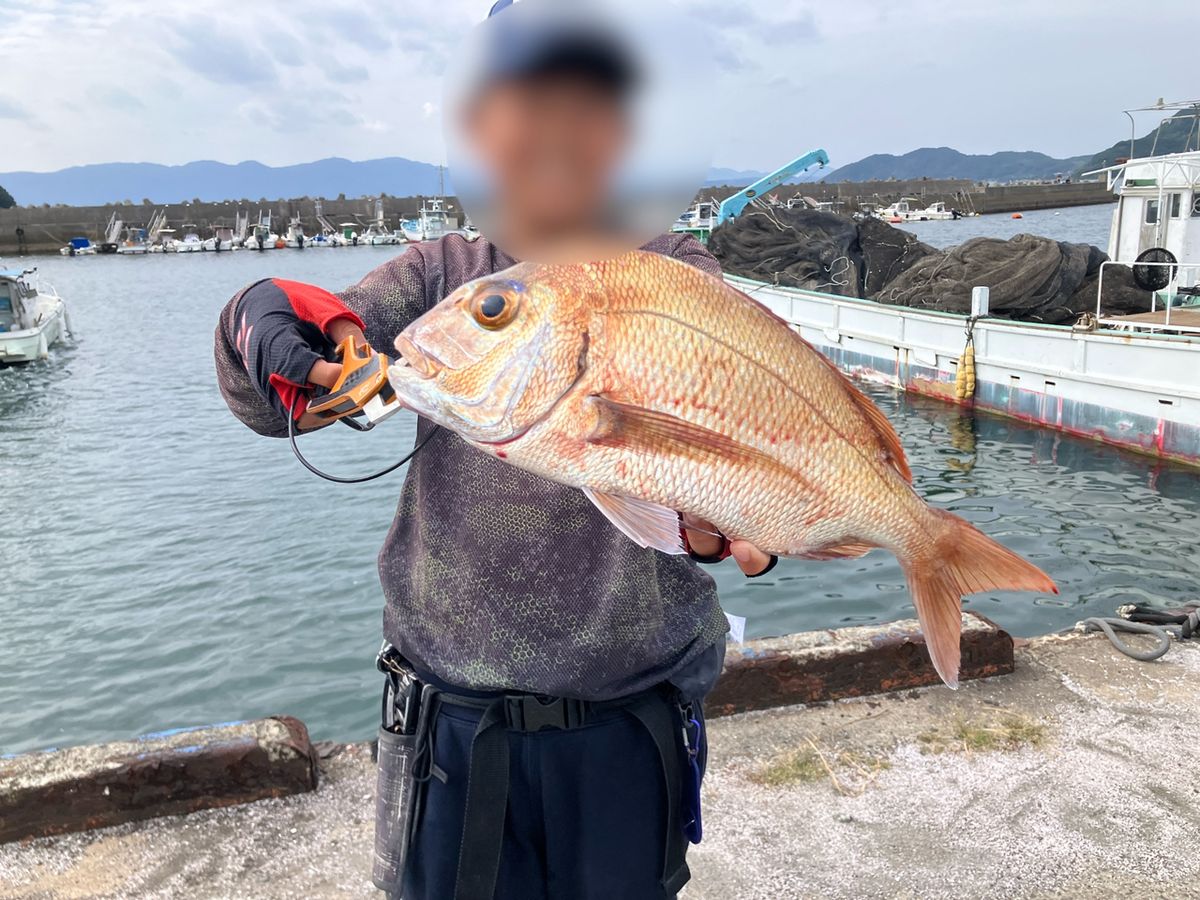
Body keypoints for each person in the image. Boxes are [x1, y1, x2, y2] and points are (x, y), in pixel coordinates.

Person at [213, 5, 773, 898]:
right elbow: (290, 375)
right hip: (449, 729)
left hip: (634, 723)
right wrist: (260, 321)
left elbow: (742, 460)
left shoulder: (674, 276)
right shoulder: (442, 277)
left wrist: (742, 517)